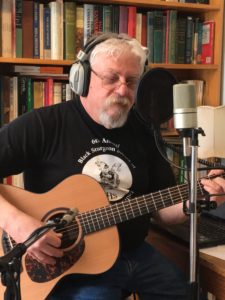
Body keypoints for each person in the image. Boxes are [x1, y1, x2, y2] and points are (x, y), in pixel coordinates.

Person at [0, 32, 224, 300]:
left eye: (131, 81)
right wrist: (18, 224)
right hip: (71, 262)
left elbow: (162, 211)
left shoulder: (144, 131)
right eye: (111, 78)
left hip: (135, 253)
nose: (122, 90)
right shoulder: (43, 125)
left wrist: (196, 199)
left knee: (183, 293)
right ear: (81, 78)